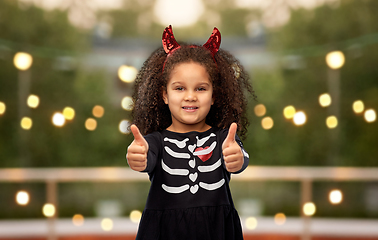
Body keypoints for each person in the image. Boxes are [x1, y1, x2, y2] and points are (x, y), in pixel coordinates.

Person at [126, 25, 256, 240]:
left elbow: (241, 158)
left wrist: (238, 159)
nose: (190, 97)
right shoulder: (155, 142)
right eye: (179, 88)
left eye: (201, 88)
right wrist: (136, 157)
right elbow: (145, 159)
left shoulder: (224, 139)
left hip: (217, 231)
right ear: (164, 95)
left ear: (214, 95)